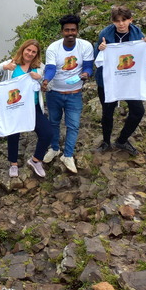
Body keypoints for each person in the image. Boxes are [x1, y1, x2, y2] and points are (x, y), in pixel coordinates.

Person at [94, 5, 146, 155]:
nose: (121, 24)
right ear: (113, 21)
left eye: (124, 20)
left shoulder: (136, 32)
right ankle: (106, 142)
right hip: (108, 81)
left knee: (138, 110)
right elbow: (97, 58)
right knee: (107, 113)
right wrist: (100, 49)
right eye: (117, 21)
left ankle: (122, 140)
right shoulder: (105, 34)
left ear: (130, 20)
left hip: (129, 80)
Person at [0, 40, 53, 178]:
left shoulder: (40, 67)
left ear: (37, 54)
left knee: (47, 133)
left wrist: (41, 79)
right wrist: (5, 67)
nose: (30, 53)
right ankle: (13, 164)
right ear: (22, 49)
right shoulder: (12, 63)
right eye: (28, 50)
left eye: (33, 51)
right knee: (13, 133)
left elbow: (50, 86)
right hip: (13, 106)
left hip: (33, 106)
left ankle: (35, 160)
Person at [41, 14, 94, 174]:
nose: (70, 33)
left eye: (73, 30)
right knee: (54, 122)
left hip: (74, 93)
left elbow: (88, 66)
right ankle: (55, 148)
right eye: (66, 30)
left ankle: (68, 155)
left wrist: (86, 74)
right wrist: (46, 80)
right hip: (54, 93)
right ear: (62, 31)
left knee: (73, 125)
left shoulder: (85, 46)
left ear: (77, 31)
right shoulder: (53, 48)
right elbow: (50, 68)